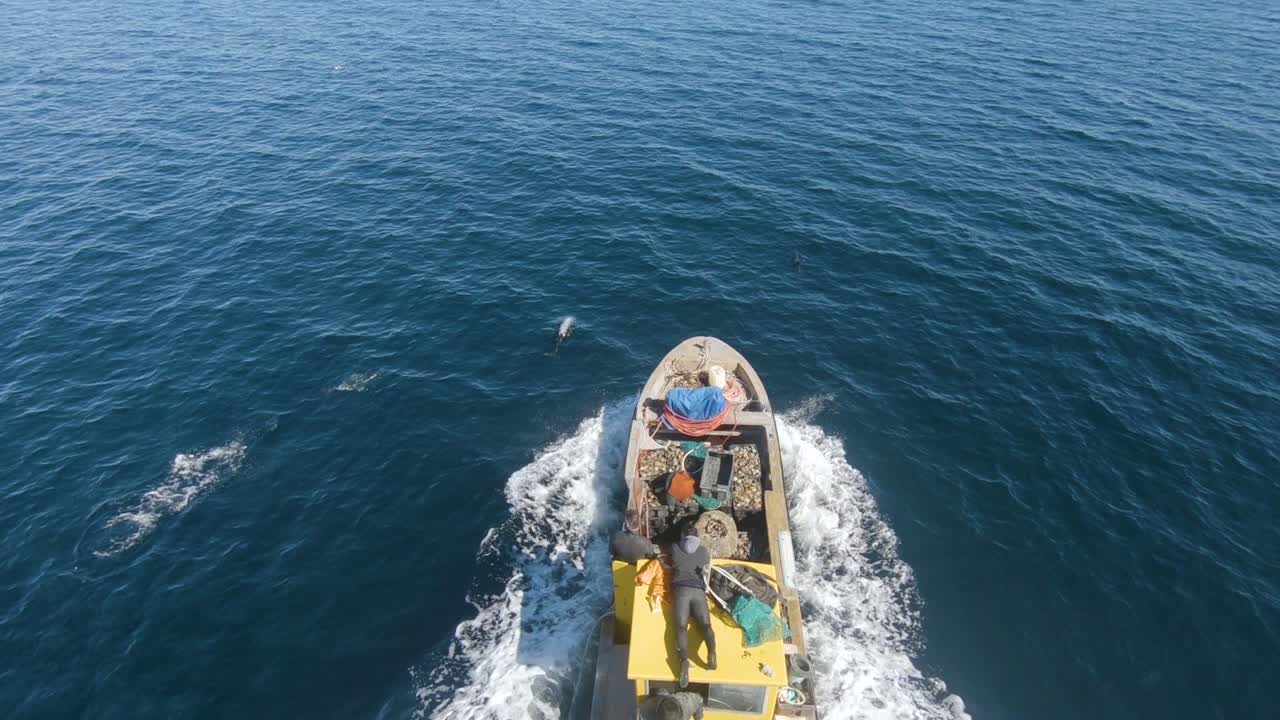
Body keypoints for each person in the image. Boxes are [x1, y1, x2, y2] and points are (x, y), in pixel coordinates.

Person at [670, 524, 717, 687]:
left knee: (681, 627)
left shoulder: (675, 547)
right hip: (698, 592)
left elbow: (672, 563)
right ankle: (711, 653)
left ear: (683, 535)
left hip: (681, 591)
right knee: (705, 625)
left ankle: (683, 659)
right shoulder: (704, 551)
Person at [639, 688, 704, 720]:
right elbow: (699, 699)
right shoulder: (688, 703)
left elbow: (699, 700)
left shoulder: (686, 704)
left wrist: (698, 717)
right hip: (666, 698)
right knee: (660, 691)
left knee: (660, 691)